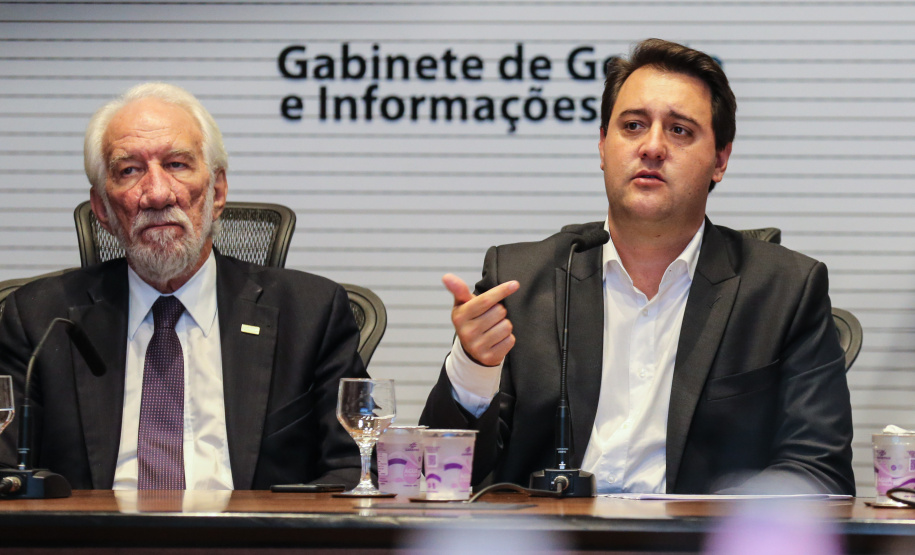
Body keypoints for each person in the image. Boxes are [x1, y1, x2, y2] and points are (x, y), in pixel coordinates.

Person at [420, 39, 855, 495]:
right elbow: (441, 475)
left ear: (720, 160)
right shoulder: (521, 280)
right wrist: (473, 367)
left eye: (680, 130)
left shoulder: (784, 291)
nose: (652, 147)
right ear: (604, 147)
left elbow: (818, 472)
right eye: (632, 125)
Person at [0, 83, 366, 490]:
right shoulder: (39, 319)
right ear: (102, 207)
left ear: (218, 191)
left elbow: (358, 470)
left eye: (176, 165)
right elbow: (6, 474)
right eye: (129, 171)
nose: (157, 194)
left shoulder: (311, 314)